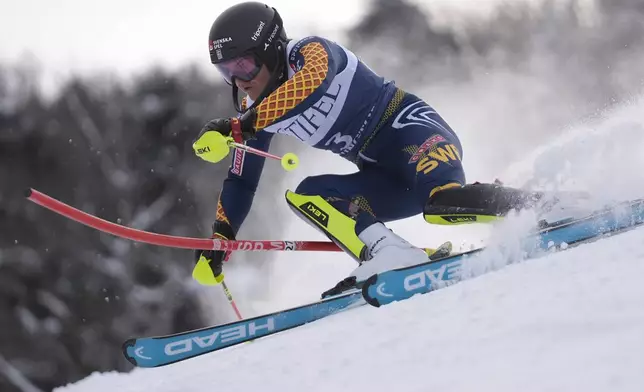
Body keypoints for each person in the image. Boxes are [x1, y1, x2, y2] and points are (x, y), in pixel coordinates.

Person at [191, 1, 533, 297]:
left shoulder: (309, 51)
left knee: (442, 205)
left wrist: (241, 127)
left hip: (414, 132)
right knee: (308, 196)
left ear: (268, 50)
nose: (239, 82)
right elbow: (242, 181)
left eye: (244, 66)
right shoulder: (254, 115)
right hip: (385, 180)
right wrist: (221, 239)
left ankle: (538, 205)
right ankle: (389, 254)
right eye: (227, 72)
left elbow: (313, 82)